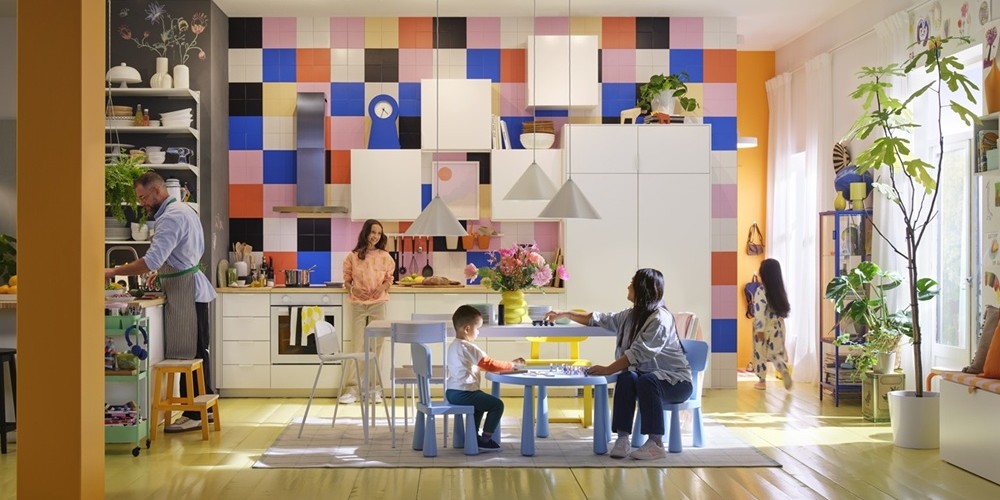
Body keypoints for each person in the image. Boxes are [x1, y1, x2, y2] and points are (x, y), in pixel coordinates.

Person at [104, 172, 217, 433]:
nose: (142, 203)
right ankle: (203, 411)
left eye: (143, 197)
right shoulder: (183, 210)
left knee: (190, 352)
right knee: (198, 351)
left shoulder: (171, 217)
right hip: (188, 288)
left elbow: (152, 261)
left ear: (157, 191)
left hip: (186, 291)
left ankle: (195, 413)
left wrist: (113, 272)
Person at [545, 268, 692, 460]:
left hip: (676, 383)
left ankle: (655, 443)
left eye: (632, 282)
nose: (628, 285)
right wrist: (566, 314)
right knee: (626, 376)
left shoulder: (660, 319)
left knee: (646, 380)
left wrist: (607, 369)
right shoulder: (632, 315)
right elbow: (598, 319)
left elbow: (637, 354)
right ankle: (622, 438)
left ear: (641, 288)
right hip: (646, 380)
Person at [445, 305, 525, 452]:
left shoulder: (453, 346)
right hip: (465, 393)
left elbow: (471, 366)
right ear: (467, 329)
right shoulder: (468, 347)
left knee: (480, 405)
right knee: (497, 405)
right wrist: (512, 365)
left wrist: (503, 366)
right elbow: (489, 364)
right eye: (478, 328)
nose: (479, 332)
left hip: (452, 391)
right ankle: (485, 439)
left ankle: (472, 437)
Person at [340, 219, 395, 404]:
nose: (375, 236)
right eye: (373, 232)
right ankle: (352, 389)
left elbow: (389, 279)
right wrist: (352, 289)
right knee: (358, 346)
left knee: (376, 348)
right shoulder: (353, 256)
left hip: (378, 303)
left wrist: (383, 288)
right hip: (358, 303)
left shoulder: (386, 257)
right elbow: (346, 280)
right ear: (365, 233)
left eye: (379, 233)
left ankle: (374, 390)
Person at [751, 258, 792, 391]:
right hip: (778, 326)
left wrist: (760, 329)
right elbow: (784, 310)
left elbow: (759, 311)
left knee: (760, 354)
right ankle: (783, 370)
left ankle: (762, 381)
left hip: (764, 327)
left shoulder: (761, 291)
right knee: (776, 354)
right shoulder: (780, 291)